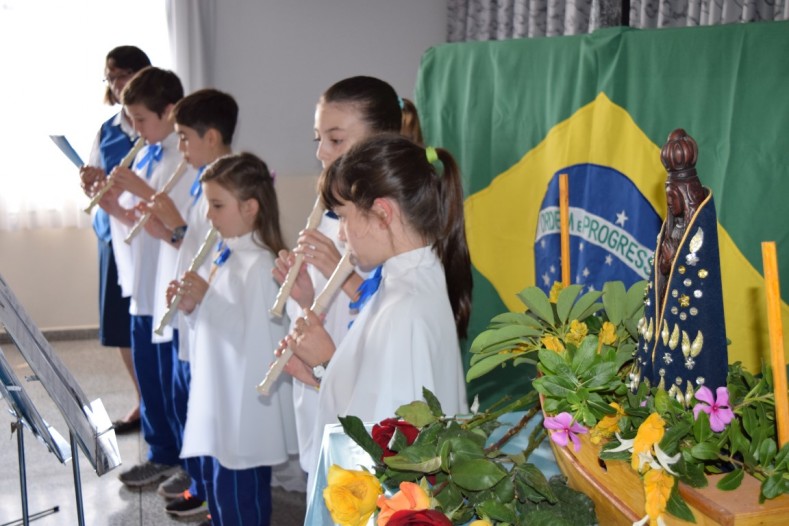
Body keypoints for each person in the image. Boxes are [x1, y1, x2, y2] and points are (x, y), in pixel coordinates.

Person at [285, 134, 471, 485]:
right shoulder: (407, 279)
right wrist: (320, 372)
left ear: (382, 213)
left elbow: (387, 450)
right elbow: (380, 396)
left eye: (343, 217)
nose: (341, 235)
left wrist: (327, 361)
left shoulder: (407, 309)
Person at [271, 76, 423, 477]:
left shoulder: (399, 216)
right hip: (326, 379)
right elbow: (325, 305)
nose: (322, 152)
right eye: (318, 138)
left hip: (368, 401)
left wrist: (340, 277)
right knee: (326, 480)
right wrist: (302, 298)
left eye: (336, 140)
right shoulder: (329, 207)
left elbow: (396, 312)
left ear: (383, 139)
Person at [129, 88, 238, 519]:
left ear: (212, 137)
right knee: (185, 404)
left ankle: (209, 490)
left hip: (208, 317)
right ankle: (197, 480)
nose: (181, 148)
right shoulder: (201, 176)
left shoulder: (229, 182)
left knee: (202, 410)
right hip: (188, 317)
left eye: (186, 139)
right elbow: (190, 242)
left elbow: (222, 250)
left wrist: (175, 227)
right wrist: (167, 232)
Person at [172, 152, 297, 526]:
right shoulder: (231, 253)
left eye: (216, 205)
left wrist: (206, 299)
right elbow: (221, 326)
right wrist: (195, 306)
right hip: (224, 399)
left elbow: (257, 343)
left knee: (242, 501)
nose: (208, 215)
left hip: (244, 411)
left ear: (250, 208)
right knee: (225, 494)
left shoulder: (260, 265)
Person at [97, 66, 196, 488]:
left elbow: (185, 228)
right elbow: (131, 223)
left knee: (174, 382)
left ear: (170, 112)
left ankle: (187, 463)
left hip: (169, 288)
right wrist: (108, 202)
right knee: (150, 377)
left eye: (140, 119)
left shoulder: (185, 161)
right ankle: (160, 453)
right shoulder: (147, 152)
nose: (133, 129)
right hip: (143, 285)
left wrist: (137, 190)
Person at [78, 45, 151, 433]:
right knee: (123, 325)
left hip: (149, 238)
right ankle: (142, 402)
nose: (117, 84)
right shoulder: (107, 129)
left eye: (123, 75)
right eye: (111, 77)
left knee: (150, 323)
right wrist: (91, 182)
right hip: (113, 238)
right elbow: (97, 178)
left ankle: (158, 405)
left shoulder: (158, 126)